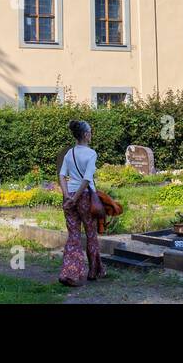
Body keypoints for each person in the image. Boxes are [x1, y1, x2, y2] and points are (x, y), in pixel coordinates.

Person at [58, 119, 105, 286]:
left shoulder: (69, 153)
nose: (91, 135)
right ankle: (93, 271)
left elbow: (62, 176)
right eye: (90, 132)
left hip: (69, 195)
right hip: (84, 196)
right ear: (85, 135)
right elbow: (86, 179)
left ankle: (69, 273)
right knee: (91, 233)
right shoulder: (91, 154)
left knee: (73, 235)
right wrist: (76, 198)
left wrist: (68, 197)